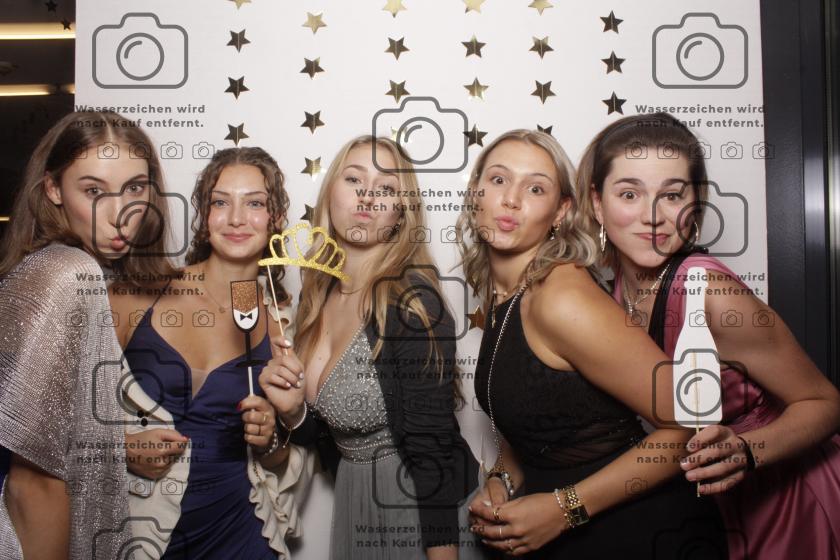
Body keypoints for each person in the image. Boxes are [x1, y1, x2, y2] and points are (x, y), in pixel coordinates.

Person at [576, 112, 840, 559]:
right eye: (629, 194)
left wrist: (747, 450)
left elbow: (825, 403)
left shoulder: (711, 294)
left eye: (672, 195)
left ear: (695, 204)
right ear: (598, 204)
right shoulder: (614, 292)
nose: (653, 216)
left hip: (785, 499)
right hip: (705, 508)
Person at [457, 129, 728, 558]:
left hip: (642, 533)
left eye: (535, 188)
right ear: (475, 193)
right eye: (498, 180)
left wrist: (565, 509)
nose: (511, 200)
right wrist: (501, 480)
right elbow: (536, 416)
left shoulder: (561, 296)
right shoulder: (507, 293)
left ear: (561, 210)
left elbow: (690, 425)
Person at [259, 135, 485, 559]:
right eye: (354, 179)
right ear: (330, 193)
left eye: (385, 188)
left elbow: (432, 448)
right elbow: (327, 437)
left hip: (422, 511)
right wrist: (293, 412)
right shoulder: (317, 297)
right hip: (355, 498)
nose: (367, 195)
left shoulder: (412, 302)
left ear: (401, 212)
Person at [109, 147, 313, 559]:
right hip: (139, 533)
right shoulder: (136, 296)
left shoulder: (283, 326)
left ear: (275, 219)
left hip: (242, 534)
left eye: (254, 203)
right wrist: (120, 449)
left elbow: (285, 457)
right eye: (221, 203)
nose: (236, 219)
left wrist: (271, 437)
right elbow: (56, 424)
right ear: (204, 216)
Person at [0, 110, 176, 558]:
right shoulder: (68, 273)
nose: (120, 216)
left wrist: (115, 447)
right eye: (94, 191)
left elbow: (52, 435)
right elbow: (33, 481)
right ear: (53, 189)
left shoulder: (46, 268)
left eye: (134, 188)